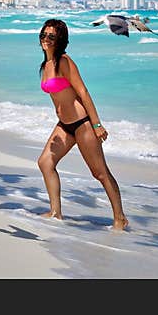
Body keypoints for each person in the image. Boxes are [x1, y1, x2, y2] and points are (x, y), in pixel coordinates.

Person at [36, 19, 128, 230]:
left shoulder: (65, 62)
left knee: (100, 173)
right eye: (44, 35)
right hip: (64, 125)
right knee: (45, 163)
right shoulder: (46, 65)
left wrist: (96, 125)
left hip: (82, 124)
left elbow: (83, 92)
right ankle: (55, 212)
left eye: (51, 36)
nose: (46, 39)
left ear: (60, 40)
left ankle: (120, 218)